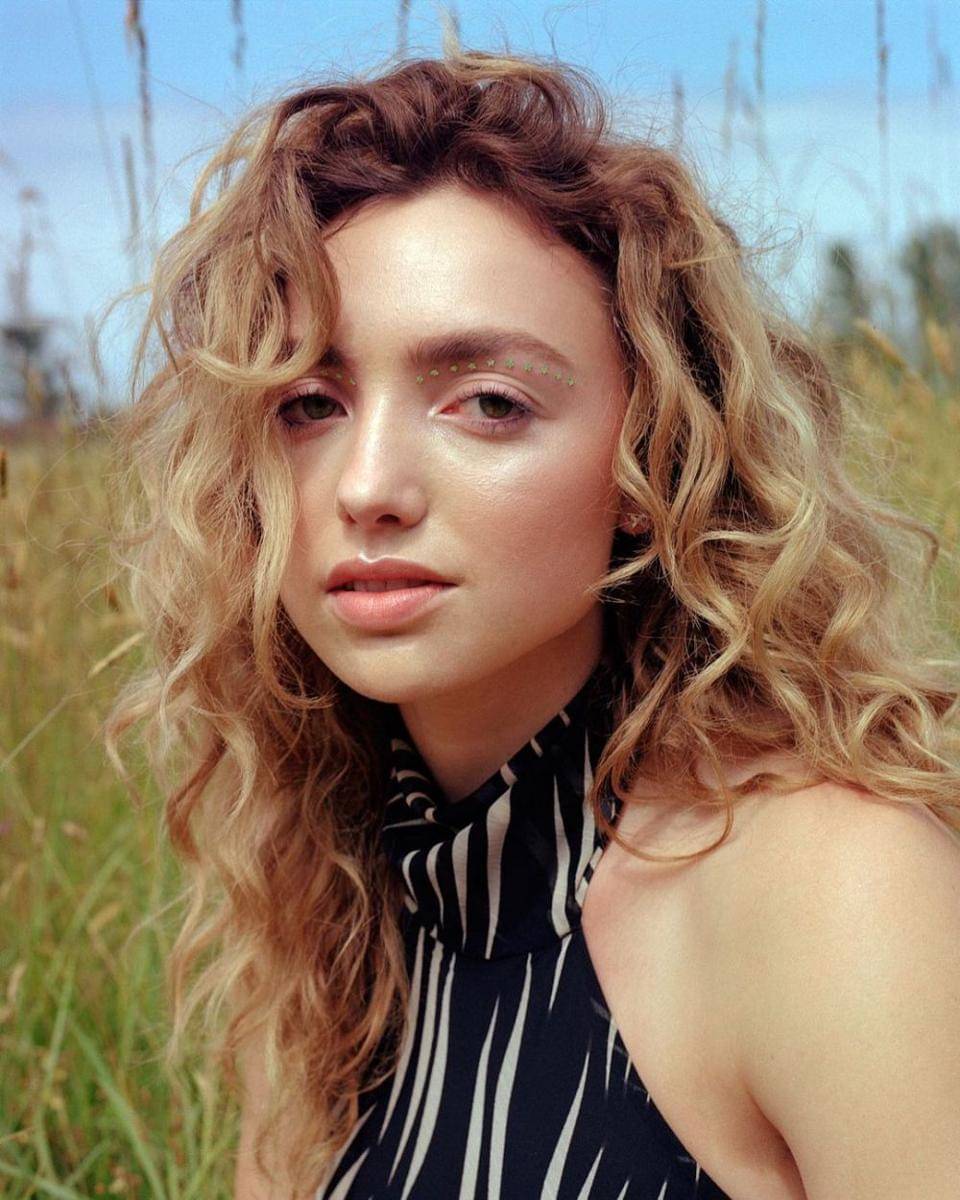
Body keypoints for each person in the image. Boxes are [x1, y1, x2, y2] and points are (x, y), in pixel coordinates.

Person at [103, 47, 960, 1200]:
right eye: (309, 402)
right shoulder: (323, 920)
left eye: (489, 403)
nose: (368, 486)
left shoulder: (832, 890)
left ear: (652, 460)